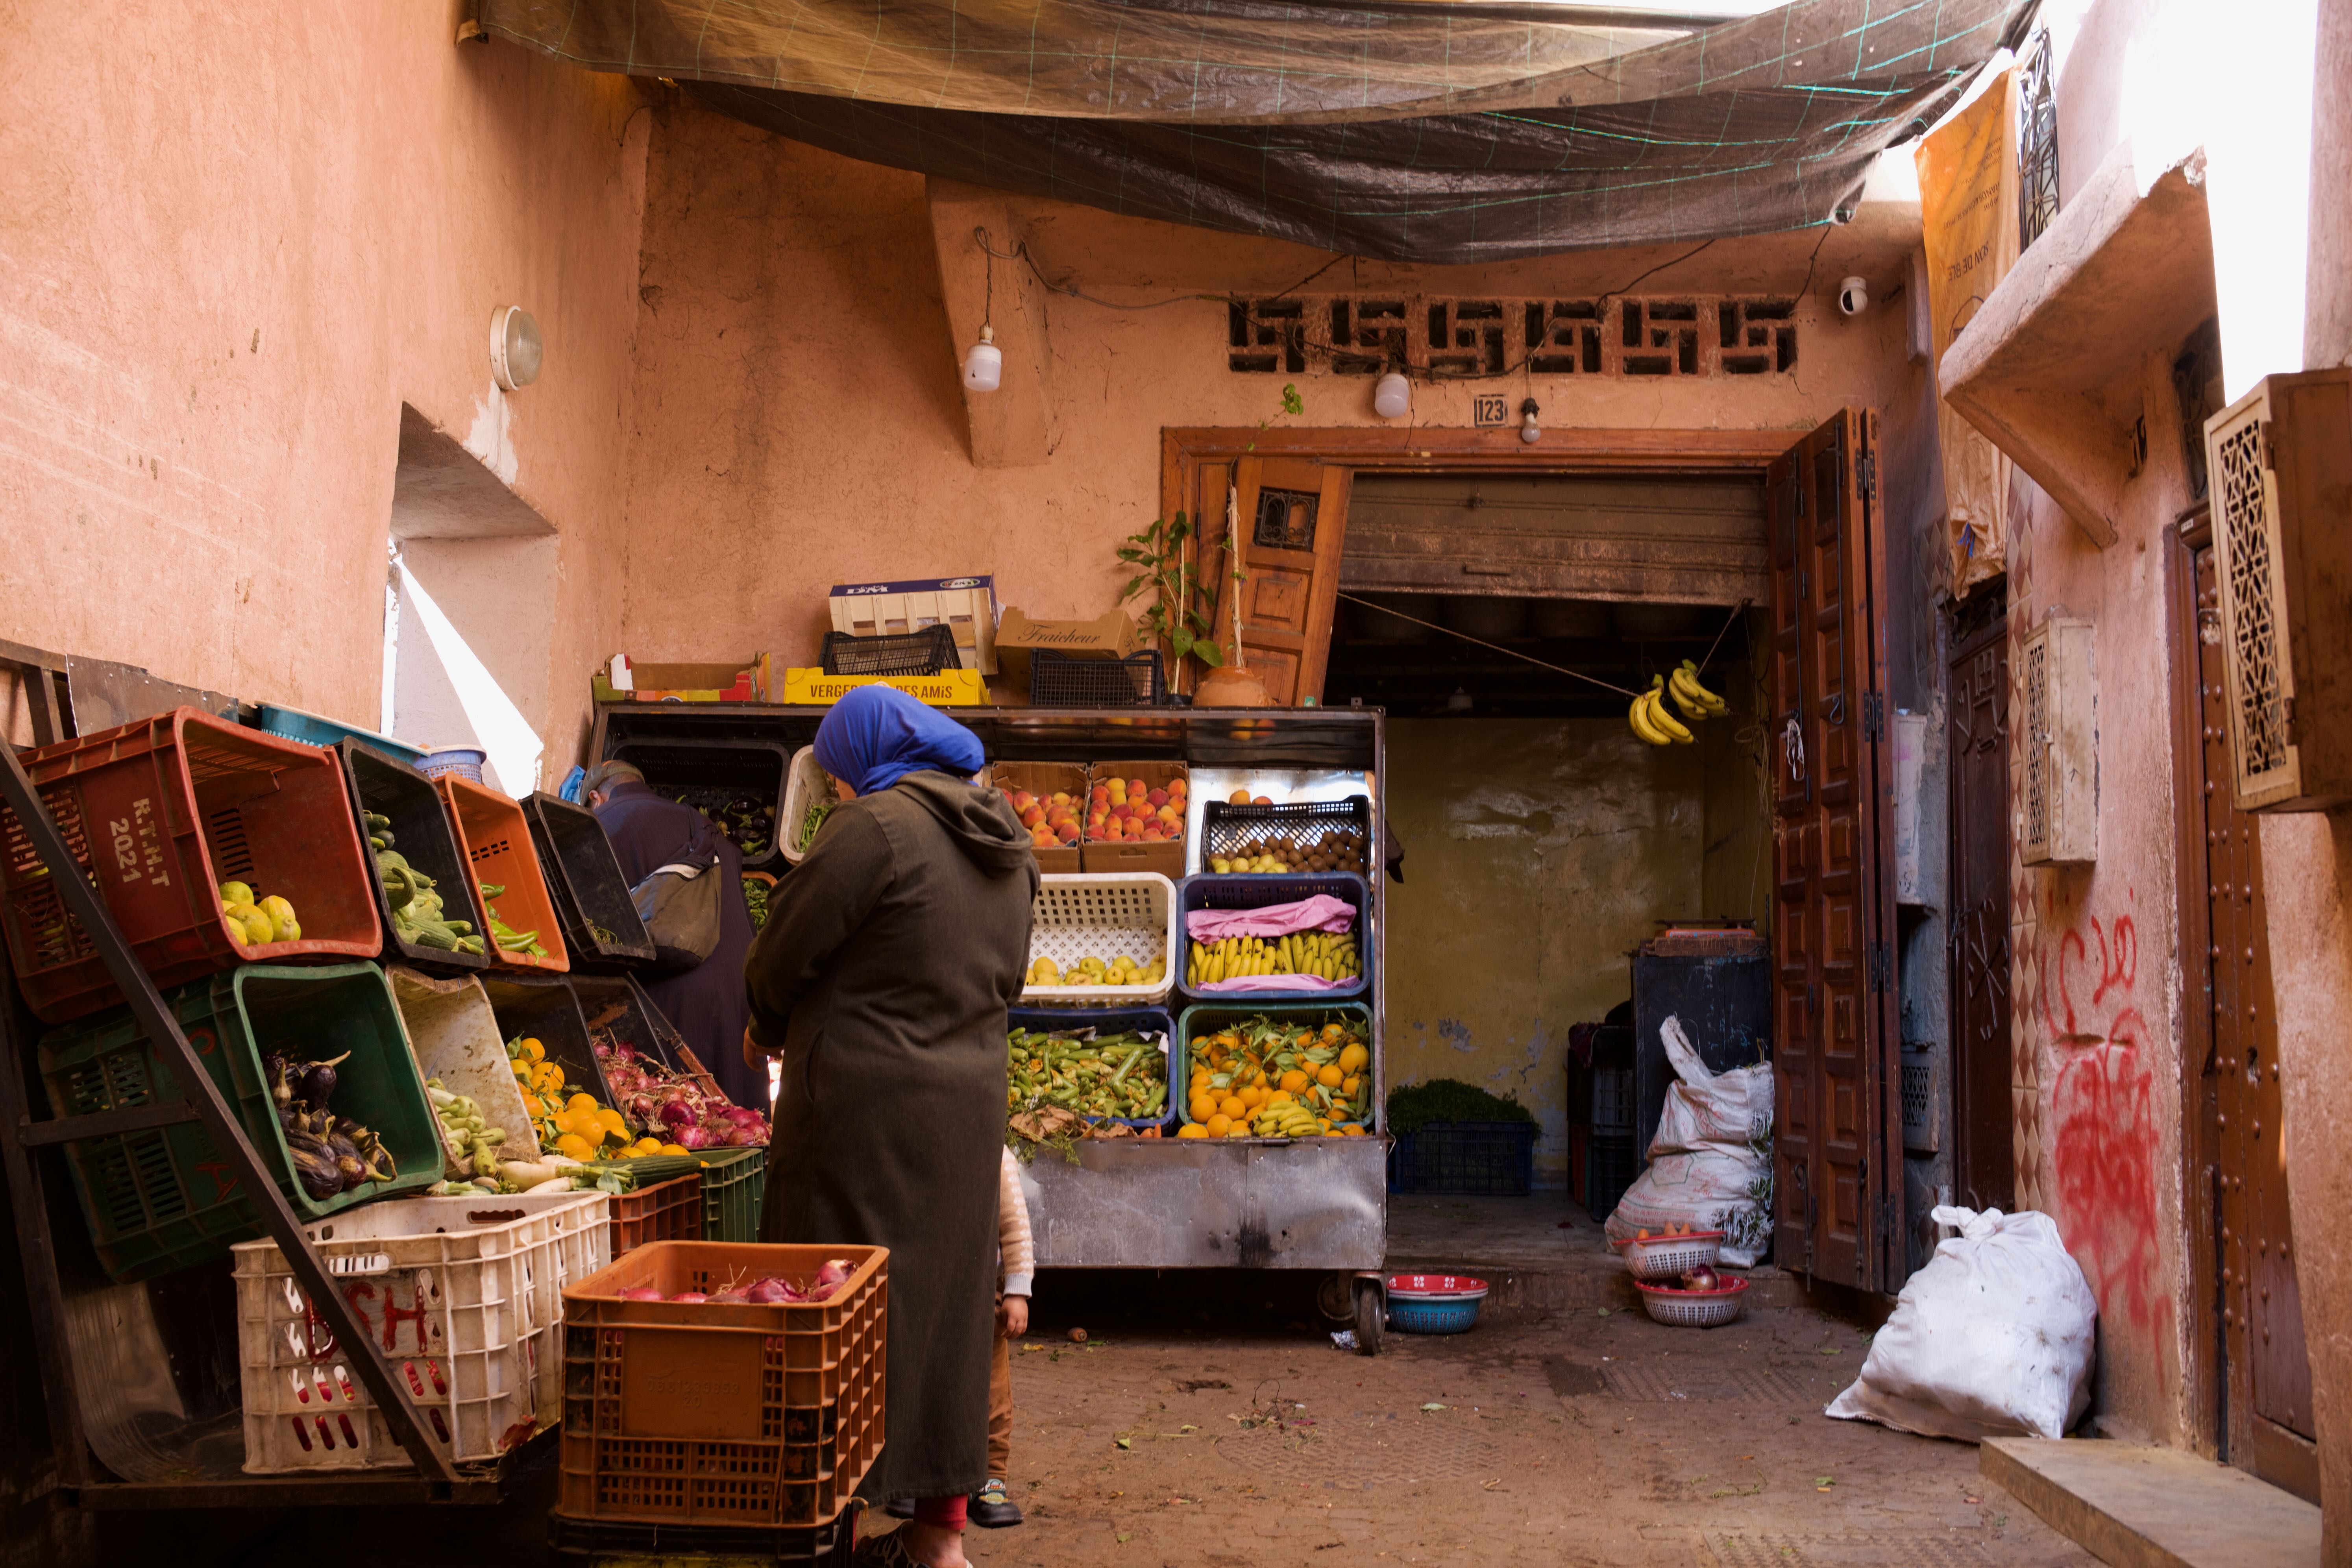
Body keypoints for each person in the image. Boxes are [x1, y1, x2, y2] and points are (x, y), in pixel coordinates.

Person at [744, 687, 1035, 1568]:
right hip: (963, 1115)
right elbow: (1009, 983)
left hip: (860, 1118)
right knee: (945, 1317)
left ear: (867, 757)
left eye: (838, 777)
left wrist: (768, 1022)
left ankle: (833, 1528)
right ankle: (940, 1541)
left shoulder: (875, 829)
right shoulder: (1010, 846)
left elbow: (780, 959)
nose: (837, 793)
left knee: (838, 1309)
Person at [579, 760, 766, 1114]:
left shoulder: (600, 823)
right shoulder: (701, 823)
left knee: (680, 1119)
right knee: (740, 1124)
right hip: (740, 991)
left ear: (596, 797)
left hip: (675, 994)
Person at [888, 1145, 1032, 1529]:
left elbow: (1015, 1226)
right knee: (920, 1385)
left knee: (992, 1393)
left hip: (981, 1296)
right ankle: (916, 1476)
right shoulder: (916, 1143)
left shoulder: (995, 1155)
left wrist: (1018, 1290)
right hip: (921, 1294)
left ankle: (991, 1478)